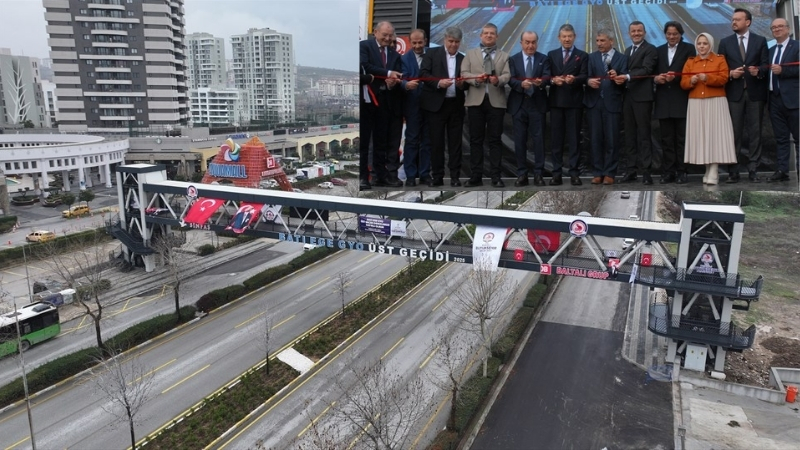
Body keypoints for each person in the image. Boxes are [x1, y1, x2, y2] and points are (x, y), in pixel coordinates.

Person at [717, 7, 769, 183]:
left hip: (755, 93)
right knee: (734, 133)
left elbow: (765, 65)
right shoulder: (725, 42)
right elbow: (721, 69)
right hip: (734, 93)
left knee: (755, 133)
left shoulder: (760, 40)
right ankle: (733, 171)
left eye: (737, 19)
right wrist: (731, 74)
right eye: (732, 19)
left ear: (748, 22)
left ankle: (753, 169)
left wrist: (758, 72)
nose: (733, 22)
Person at [681, 33, 737, 185]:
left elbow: (724, 78)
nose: (702, 46)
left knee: (715, 136)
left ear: (710, 45)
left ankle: (714, 170)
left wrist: (708, 79)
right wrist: (691, 81)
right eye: (699, 44)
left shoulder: (719, 59)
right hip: (696, 102)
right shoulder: (691, 62)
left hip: (716, 101)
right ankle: (708, 170)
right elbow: (683, 82)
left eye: (705, 43)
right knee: (702, 137)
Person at [461, 23, 511, 188]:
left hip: (496, 102)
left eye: (492, 34)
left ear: (497, 37)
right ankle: (476, 176)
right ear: (480, 36)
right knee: (476, 140)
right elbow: (463, 74)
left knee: (495, 140)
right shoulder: (470, 54)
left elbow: (507, 75)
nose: (489, 36)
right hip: (476, 101)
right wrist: (476, 79)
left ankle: (496, 176)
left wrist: (499, 80)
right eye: (486, 33)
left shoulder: (504, 55)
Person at [420, 26, 467, 187]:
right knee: (436, 143)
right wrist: (439, 83)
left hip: (456, 105)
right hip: (436, 106)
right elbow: (423, 74)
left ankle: (455, 177)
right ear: (445, 39)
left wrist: (462, 84)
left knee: (455, 144)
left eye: (457, 42)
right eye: (451, 41)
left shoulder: (463, 58)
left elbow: (467, 83)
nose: (453, 45)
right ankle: (437, 176)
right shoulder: (432, 54)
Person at [359, 21, 404, 187]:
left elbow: (398, 74)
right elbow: (365, 66)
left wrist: (393, 81)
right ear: (375, 32)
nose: (387, 38)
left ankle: (381, 175)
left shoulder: (394, 54)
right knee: (366, 142)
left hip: (387, 102)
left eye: (390, 35)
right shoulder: (365, 46)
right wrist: (387, 73)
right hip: (368, 101)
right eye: (384, 34)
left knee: (381, 141)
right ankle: (366, 176)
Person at [654, 21, 696, 184]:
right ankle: (668, 172)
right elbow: (653, 74)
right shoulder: (659, 50)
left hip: (681, 99)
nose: (672, 37)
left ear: (681, 34)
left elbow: (691, 71)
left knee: (682, 138)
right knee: (666, 139)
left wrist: (676, 77)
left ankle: (682, 171)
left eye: (675, 34)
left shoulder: (689, 49)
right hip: (663, 100)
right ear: (665, 34)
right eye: (669, 34)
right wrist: (657, 79)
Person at [584, 29, 628, 185]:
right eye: (597, 41)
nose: (599, 44)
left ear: (611, 41)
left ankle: (610, 173)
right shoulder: (591, 57)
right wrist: (589, 82)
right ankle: (597, 172)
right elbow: (585, 76)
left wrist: (619, 79)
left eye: (602, 40)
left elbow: (626, 79)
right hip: (594, 103)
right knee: (595, 140)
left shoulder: (622, 58)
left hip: (612, 103)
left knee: (612, 140)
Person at [616, 21, 657, 185]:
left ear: (644, 32)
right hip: (628, 98)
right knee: (630, 136)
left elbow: (647, 70)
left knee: (644, 136)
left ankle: (646, 172)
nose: (636, 34)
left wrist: (626, 76)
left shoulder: (650, 49)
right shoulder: (627, 50)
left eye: (639, 31)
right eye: (633, 31)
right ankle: (631, 170)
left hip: (643, 98)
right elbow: (625, 72)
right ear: (629, 33)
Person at [507, 31, 550, 187]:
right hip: (519, 104)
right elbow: (510, 79)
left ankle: (538, 174)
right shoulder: (513, 59)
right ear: (521, 43)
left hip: (537, 104)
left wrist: (540, 83)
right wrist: (520, 85)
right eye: (527, 42)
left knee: (539, 141)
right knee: (519, 141)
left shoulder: (543, 59)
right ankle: (522, 174)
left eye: (533, 42)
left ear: (537, 43)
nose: (530, 45)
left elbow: (547, 77)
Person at [547, 24, 588, 186]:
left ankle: (574, 173)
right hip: (556, 103)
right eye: (564, 36)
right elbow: (547, 76)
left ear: (575, 37)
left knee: (574, 140)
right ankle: (556, 173)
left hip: (574, 103)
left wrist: (575, 80)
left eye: (569, 36)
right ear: (559, 38)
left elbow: (585, 75)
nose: (567, 39)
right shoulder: (551, 55)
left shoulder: (582, 55)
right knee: (556, 140)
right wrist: (552, 80)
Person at [766, 18, 799, 183]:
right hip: (774, 99)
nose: (777, 29)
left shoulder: (797, 46)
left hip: (794, 100)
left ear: (788, 28)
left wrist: (783, 71)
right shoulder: (770, 51)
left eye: (780, 26)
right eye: (774, 27)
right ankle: (782, 170)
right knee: (780, 138)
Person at [401, 29, 432, 187]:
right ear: (410, 42)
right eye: (414, 43)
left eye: (420, 42)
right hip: (412, 105)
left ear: (425, 41)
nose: (418, 45)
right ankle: (411, 175)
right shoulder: (404, 58)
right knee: (412, 141)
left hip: (430, 105)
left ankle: (425, 174)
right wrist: (406, 84)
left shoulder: (432, 55)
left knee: (427, 141)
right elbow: (399, 79)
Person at [359, 67, 375, 190]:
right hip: (362, 107)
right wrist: (368, 78)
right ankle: (363, 177)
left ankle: (366, 176)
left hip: (369, 105)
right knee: (364, 147)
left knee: (366, 145)